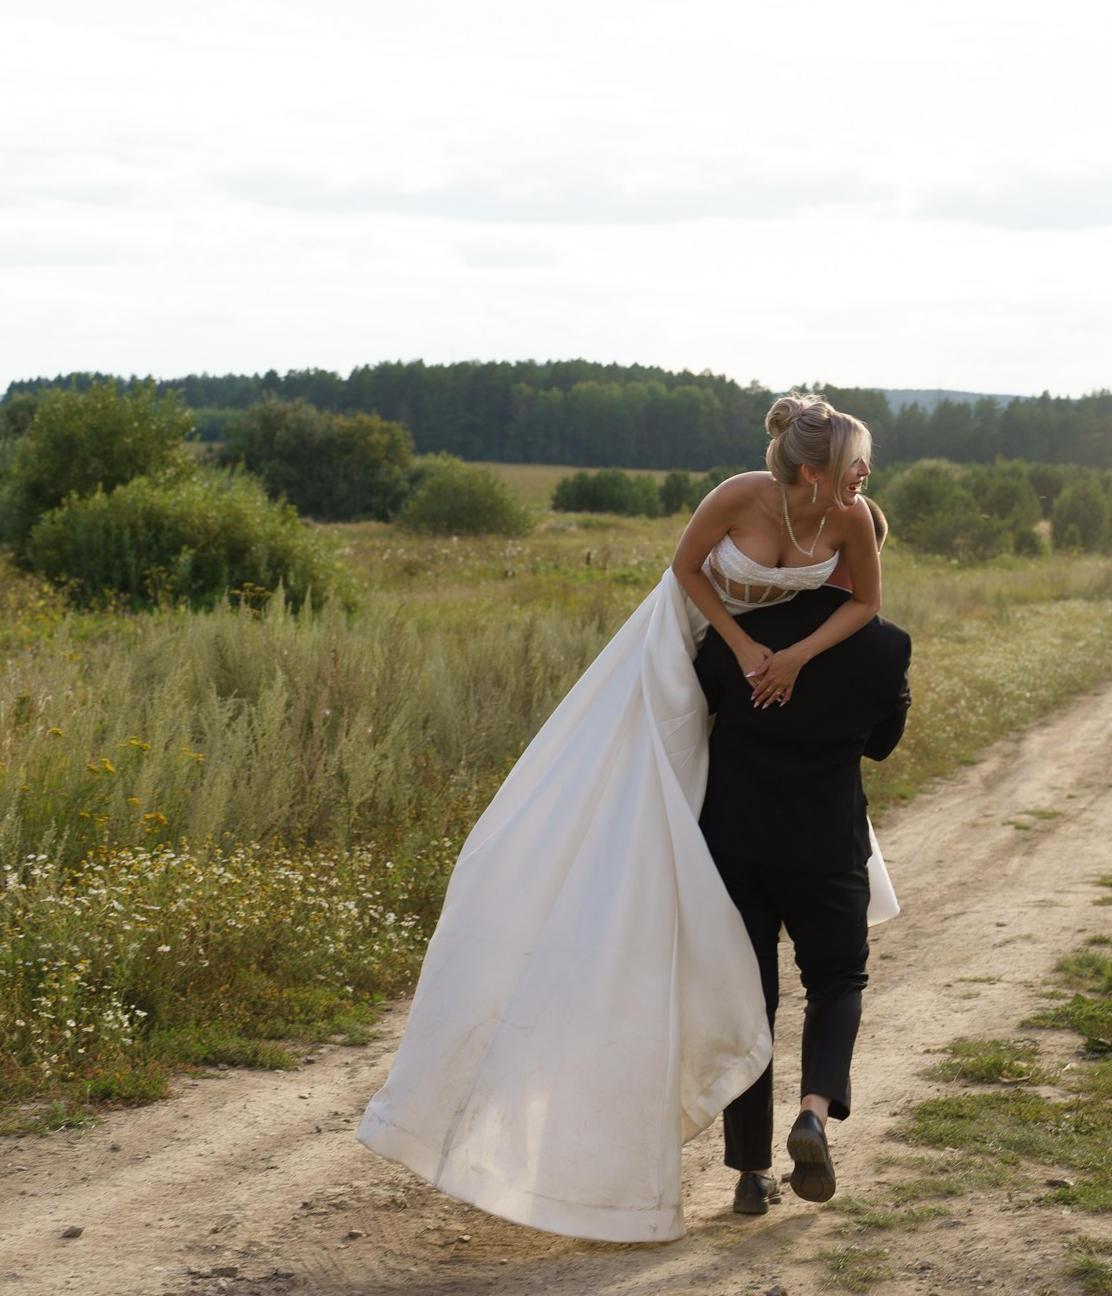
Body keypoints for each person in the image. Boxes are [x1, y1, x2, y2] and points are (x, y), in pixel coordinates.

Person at [357, 396, 897, 1243]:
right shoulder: (737, 496)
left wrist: (790, 655)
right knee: (644, 802)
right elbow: (686, 572)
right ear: (811, 472)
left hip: (774, 663)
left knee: (747, 933)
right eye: (856, 463)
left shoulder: (854, 518)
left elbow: (863, 602)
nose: (868, 475)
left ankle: (751, 1165)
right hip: (697, 646)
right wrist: (745, 646)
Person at [692, 575, 910, 1216]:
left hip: (735, 846)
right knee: (838, 980)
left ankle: (750, 1175)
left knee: (749, 1000)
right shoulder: (885, 645)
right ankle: (813, 1113)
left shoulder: (735, 633)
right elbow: (882, 744)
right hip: (825, 849)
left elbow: (694, 713)